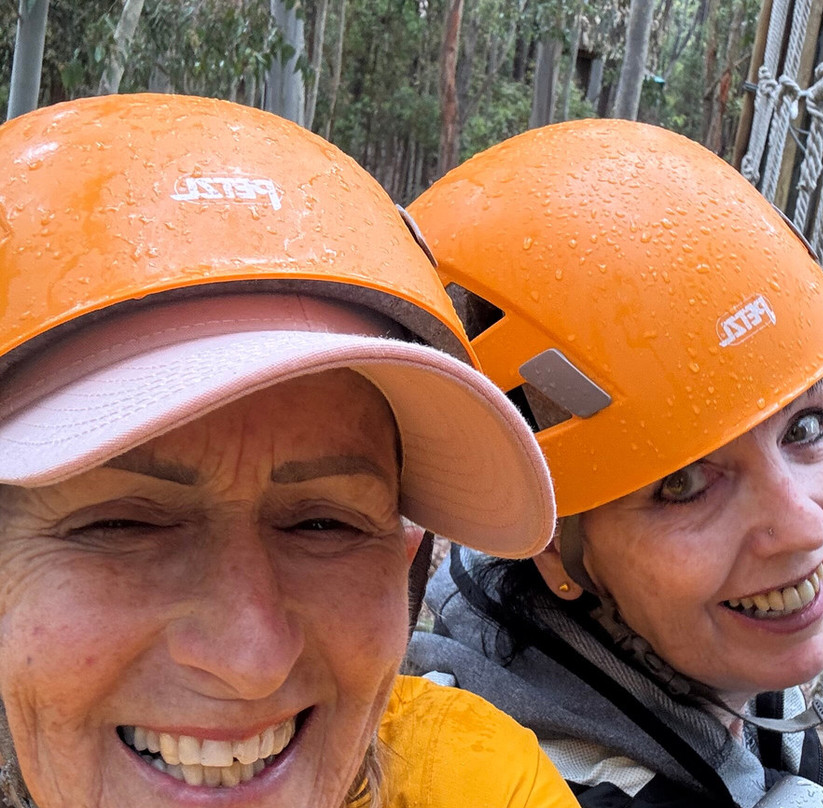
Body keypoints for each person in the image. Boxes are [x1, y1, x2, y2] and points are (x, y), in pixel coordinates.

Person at [403, 119, 823, 807]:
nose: (805, 527)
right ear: (553, 546)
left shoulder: (640, 628)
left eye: (804, 427)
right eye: (684, 483)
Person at [0, 94, 579, 808]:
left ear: (403, 569)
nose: (251, 661)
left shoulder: (474, 783)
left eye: (323, 525)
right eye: (123, 525)